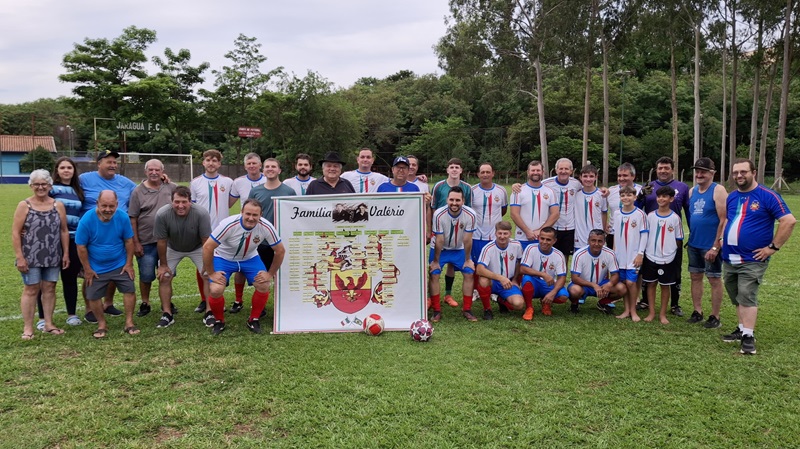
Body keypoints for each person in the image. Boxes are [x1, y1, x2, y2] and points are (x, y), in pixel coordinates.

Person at [720, 158, 795, 355]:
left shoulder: (768, 195)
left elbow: (788, 221)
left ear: (753, 172)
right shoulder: (732, 196)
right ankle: (742, 328)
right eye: (735, 172)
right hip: (730, 258)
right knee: (736, 295)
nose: (739, 176)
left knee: (746, 294)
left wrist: (772, 247)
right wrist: (721, 238)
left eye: (743, 172)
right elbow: (729, 219)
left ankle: (748, 337)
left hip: (752, 259)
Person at [202, 199, 286, 335]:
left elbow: (280, 250)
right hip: (224, 258)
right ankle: (219, 321)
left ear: (261, 215)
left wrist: (270, 273)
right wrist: (211, 273)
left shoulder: (266, 226)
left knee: (264, 284)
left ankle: (253, 319)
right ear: (241, 212)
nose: (251, 218)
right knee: (216, 289)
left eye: (255, 215)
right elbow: (208, 247)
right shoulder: (228, 224)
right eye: (248, 214)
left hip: (249, 258)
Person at [79, 149, 137, 322]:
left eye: (114, 162)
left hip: (118, 231)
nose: (112, 165)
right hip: (93, 232)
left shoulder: (125, 182)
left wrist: (163, 180)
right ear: (99, 163)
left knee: (115, 270)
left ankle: (108, 303)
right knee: (91, 272)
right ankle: (90, 307)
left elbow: (143, 190)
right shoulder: (84, 179)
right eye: (108, 162)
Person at [13, 170, 70, 339]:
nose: (40, 187)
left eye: (44, 184)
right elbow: (16, 233)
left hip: (53, 255)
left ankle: (49, 324)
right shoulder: (24, 205)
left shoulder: (57, 205)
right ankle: (28, 328)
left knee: (50, 288)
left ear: (50, 185)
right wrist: (20, 257)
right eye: (37, 184)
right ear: (31, 186)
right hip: (30, 256)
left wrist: (66, 253)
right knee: (31, 289)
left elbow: (64, 230)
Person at [75, 190, 139, 338]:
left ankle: (129, 322)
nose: (108, 210)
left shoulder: (122, 217)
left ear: (117, 205)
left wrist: (129, 263)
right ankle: (101, 324)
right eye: (104, 206)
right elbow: (81, 246)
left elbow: (128, 241)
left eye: (111, 206)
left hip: (119, 263)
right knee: (93, 295)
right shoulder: (87, 219)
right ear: (97, 203)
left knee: (129, 290)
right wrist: (87, 269)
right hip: (96, 266)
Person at [636, 156, 690, 317]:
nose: (663, 171)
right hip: (650, 237)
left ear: (672, 169)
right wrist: (640, 196)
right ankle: (645, 301)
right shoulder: (649, 187)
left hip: (671, 238)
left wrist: (692, 232)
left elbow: (687, 210)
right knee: (648, 271)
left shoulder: (682, 187)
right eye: (660, 168)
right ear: (656, 169)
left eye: (666, 168)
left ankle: (675, 304)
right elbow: (637, 208)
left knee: (674, 271)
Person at [34, 157, 84, 329]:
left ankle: (72, 314)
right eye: (62, 167)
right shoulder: (51, 189)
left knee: (70, 278)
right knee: (47, 280)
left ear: (74, 170)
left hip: (73, 239)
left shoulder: (78, 189)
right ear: (57, 170)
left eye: (69, 167)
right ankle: (42, 318)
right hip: (52, 240)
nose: (66, 170)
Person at [153, 186, 212, 328]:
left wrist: (207, 264)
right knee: (165, 276)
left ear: (190, 202)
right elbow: (161, 242)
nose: (180, 206)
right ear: (171, 202)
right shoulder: (162, 214)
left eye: (184, 202)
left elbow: (206, 241)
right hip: (173, 248)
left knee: (207, 274)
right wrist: (163, 265)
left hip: (198, 247)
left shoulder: (201, 213)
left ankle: (210, 311)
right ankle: (167, 313)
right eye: (177, 202)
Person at [243, 158, 296, 314]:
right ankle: (261, 306)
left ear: (279, 170)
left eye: (274, 166)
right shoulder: (256, 191)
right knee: (261, 275)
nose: (270, 169)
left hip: (281, 241)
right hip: (260, 242)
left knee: (283, 275)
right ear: (263, 170)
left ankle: (283, 305)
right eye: (267, 167)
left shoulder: (288, 191)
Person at [128, 159, 177, 317]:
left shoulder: (172, 187)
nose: (154, 172)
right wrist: (136, 242)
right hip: (146, 241)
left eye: (157, 170)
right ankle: (145, 302)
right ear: (145, 172)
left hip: (168, 242)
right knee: (146, 275)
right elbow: (133, 218)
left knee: (167, 274)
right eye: (151, 170)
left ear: (163, 172)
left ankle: (166, 303)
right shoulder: (137, 191)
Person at [190, 149, 234, 318]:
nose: (211, 163)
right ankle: (204, 299)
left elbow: (231, 201)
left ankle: (217, 297)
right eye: (208, 160)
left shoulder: (228, 182)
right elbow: (192, 206)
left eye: (214, 160)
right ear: (203, 162)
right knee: (202, 264)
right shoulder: (195, 183)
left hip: (222, 230)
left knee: (220, 263)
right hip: (202, 230)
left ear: (219, 164)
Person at [686, 157, 727, 328]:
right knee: (695, 277)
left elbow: (724, 219)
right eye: (697, 171)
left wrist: (716, 246)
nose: (699, 174)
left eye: (703, 171)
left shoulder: (718, 191)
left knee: (714, 279)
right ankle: (697, 311)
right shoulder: (692, 191)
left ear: (712, 173)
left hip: (710, 246)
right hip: (694, 243)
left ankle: (715, 316)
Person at [429, 158, 473, 307]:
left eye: (457, 167)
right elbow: (433, 207)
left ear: (461, 170)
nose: (454, 170)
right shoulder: (438, 186)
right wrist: (431, 229)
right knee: (434, 269)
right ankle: (431, 300)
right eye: (451, 167)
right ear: (447, 170)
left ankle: (448, 295)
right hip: (440, 228)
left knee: (452, 266)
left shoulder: (467, 187)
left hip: (458, 231)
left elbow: (469, 209)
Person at [429, 186, 477, 322]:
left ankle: (467, 309)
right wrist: (436, 261)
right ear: (446, 200)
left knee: (468, 272)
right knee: (434, 273)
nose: (454, 203)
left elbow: (467, 239)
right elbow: (439, 240)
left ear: (463, 201)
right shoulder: (438, 213)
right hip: (441, 249)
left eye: (457, 200)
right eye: (451, 200)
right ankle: (437, 310)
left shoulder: (471, 214)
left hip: (459, 249)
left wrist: (468, 260)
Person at [640, 186, 684, 324]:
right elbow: (645, 236)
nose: (661, 199)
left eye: (664, 196)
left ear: (671, 199)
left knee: (665, 286)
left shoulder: (675, 218)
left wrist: (669, 252)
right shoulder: (650, 216)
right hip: (651, 256)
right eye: (659, 196)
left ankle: (662, 314)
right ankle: (652, 312)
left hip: (668, 259)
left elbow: (679, 239)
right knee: (651, 284)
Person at [611, 185, 648, 321]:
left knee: (631, 282)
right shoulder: (616, 214)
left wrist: (640, 254)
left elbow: (644, 235)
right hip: (620, 256)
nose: (626, 198)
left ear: (635, 197)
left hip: (633, 256)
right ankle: (626, 310)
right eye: (623, 195)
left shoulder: (640, 214)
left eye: (629, 195)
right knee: (624, 283)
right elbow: (615, 235)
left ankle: (633, 310)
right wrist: (614, 253)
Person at [568, 229, 626, 314]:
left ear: (604, 242)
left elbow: (615, 275)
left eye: (600, 241)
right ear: (588, 241)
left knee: (622, 289)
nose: (596, 244)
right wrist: (593, 285)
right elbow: (574, 278)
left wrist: (609, 284)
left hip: (602, 284)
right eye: (593, 240)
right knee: (574, 291)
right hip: (583, 285)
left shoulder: (610, 253)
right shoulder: (579, 254)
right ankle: (574, 304)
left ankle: (602, 303)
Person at [475, 221, 524, 320]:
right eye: (500, 233)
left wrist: (515, 279)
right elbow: (479, 270)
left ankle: (501, 300)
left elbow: (519, 263)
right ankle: (487, 310)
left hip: (509, 282)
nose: (502, 236)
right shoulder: (488, 248)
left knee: (519, 305)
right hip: (493, 281)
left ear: (510, 233)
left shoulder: (517, 245)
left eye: (505, 233)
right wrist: (500, 278)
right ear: (495, 233)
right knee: (483, 280)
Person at [520, 226, 569, 319]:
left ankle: (546, 302)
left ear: (554, 241)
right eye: (542, 238)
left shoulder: (559, 255)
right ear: (538, 238)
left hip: (548, 284)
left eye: (548, 239)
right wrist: (543, 274)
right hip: (534, 282)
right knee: (526, 279)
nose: (544, 242)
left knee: (563, 296)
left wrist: (553, 293)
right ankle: (529, 308)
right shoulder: (531, 248)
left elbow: (562, 277)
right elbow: (523, 269)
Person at [510, 160, 560, 250]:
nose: (535, 173)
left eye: (538, 170)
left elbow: (555, 214)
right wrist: (527, 231)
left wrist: (541, 231)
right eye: (533, 170)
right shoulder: (518, 191)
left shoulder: (550, 191)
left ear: (542, 172)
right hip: (522, 238)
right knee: (522, 264)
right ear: (528, 172)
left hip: (543, 239)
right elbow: (514, 214)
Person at [543, 158, 582, 259]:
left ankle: (562, 275)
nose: (563, 171)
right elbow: (531, 186)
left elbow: (589, 189)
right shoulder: (546, 183)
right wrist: (517, 186)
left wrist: (604, 190)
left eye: (566, 169)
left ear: (571, 171)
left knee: (564, 257)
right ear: (556, 170)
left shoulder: (576, 184)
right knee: (548, 255)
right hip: (552, 226)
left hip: (569, 227)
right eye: (561, 168)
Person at [470, 162, 508, 264]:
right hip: (476, 237)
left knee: (495, 266)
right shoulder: (471, 191)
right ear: (478, 174)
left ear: (493, 173)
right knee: (477, 267)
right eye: (482, 172)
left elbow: (503, 210)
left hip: (495, 237)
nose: (485, 174)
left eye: (488, 172)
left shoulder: (501, 190)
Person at [605, 163, 642, 249]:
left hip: (633, 232)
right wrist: (605, 222)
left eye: (625, 175)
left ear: (633, 176)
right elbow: (601, 208)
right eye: (619, 176)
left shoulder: (641, 191)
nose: (621, 178)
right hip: (613, 233)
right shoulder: (610, 191)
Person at [573, 164, 608, 250]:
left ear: (596, 177)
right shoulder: (575, 193)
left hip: (597, 237)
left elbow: (604, 213)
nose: (588, 179)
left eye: (591, 176)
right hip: (580, 237)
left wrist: (603, 231)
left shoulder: (601, 194)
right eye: (585, 176)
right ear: (580, 177)